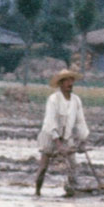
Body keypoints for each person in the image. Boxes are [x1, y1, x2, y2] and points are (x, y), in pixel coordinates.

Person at [34, 68, 90, 196]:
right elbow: (50, 121)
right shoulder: (53, 99)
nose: (70, 83)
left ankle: (72, 191)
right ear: (61, 83)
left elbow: (81, 121)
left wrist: (83, 140)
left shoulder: (76, 100)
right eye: (67, 81)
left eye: (71, 80)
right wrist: (58, 144)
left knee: (73, 166)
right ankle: (37, 192)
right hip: (49, 135)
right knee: (43, 167)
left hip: (66, 137)